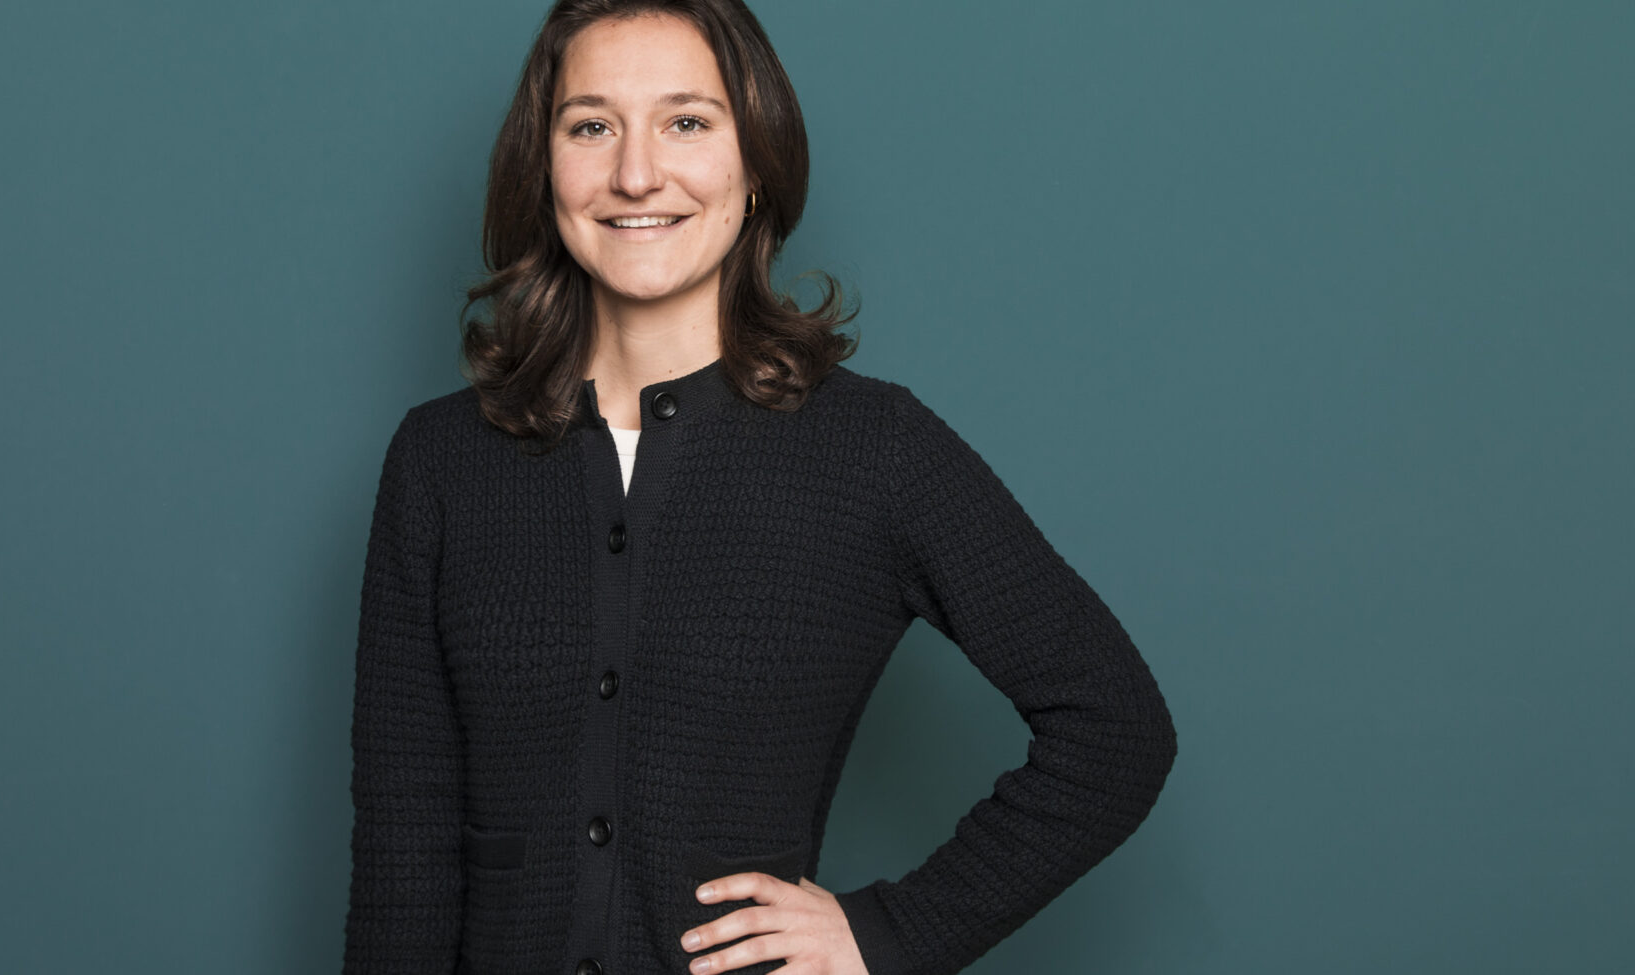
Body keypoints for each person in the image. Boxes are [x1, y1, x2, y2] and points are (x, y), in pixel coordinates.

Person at [341, 1, 1178, 973]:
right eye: (591, 125)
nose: (635, 173)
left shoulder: (871, 450)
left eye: (686, 122)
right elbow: (403, 850)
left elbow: (1115, 730)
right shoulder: (441, 461)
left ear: (756, 169)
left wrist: (888, 933)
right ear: (542, 167)